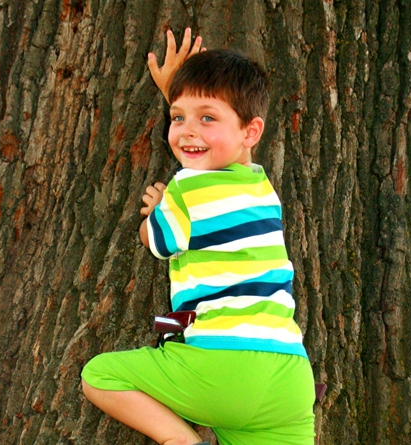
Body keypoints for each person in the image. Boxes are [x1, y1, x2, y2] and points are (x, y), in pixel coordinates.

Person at [81, 28, 316, 445]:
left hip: (220, 367)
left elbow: (156, 241)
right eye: (177, 117)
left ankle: (181, 441)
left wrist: (156, 211)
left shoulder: (187, 188)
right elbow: (230, 145)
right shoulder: (261, 188)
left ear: (251, 131)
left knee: (99, 375)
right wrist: (183, 93)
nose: (188, 131)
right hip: (290, 378)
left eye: (207, 117)